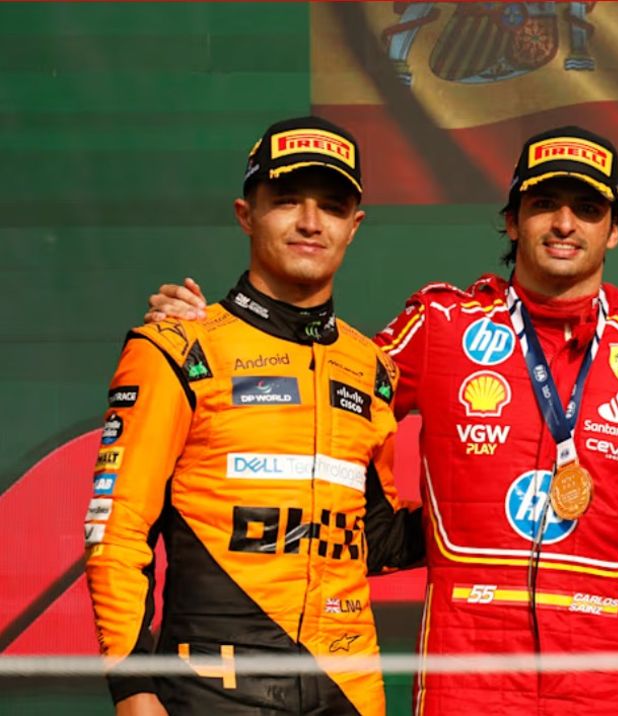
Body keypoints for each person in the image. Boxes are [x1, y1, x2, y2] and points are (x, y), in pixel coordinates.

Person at [147, 125, 618, 714]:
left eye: (589, 209)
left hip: (599, 664)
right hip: (465, 658)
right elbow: (319, 395)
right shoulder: (443, 326)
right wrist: (212, 333)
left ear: (614, 229)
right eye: (543, 204)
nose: (565, 224)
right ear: (513, 221)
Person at [86, 116, 424, 715]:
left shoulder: (370, 366)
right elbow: (118, 529)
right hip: (213, 689)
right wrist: (133, 690)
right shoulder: (178, 347)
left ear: (355, 226)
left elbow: (376, 537)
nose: (311, 222)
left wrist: (500, 511)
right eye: (287, 201)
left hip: (351, 690)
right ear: (247, 214)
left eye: (333, 206)